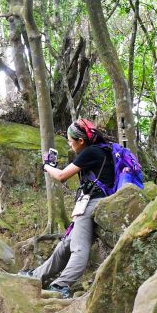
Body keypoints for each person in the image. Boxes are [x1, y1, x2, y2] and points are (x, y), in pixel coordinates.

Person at [18, 119, 114, 299]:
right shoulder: (102, 150)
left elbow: (62, 176)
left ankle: (60, 285)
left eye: (71, 141)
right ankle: (36, 276)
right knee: (65, 246)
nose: (70, 146)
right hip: (97, 202)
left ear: (81, 141)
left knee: (78, 248)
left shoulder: (91, 152)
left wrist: (47, 167)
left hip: (93, 203)